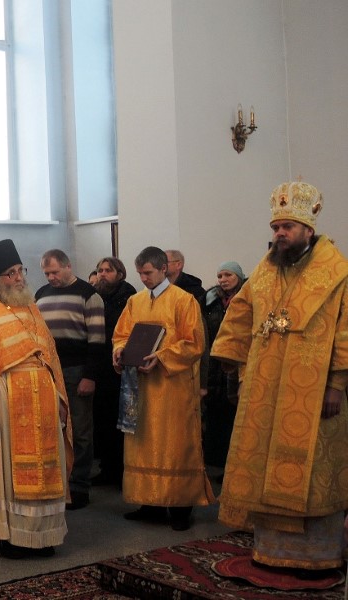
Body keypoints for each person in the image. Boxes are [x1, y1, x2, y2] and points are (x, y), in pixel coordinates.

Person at [211, 181, 348, 575]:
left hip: (314, 389)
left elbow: (345, 330)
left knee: (313, 470)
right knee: (264, 464)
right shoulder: (266, 269)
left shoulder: (337, 272)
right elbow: (240, 313)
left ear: (307, 228)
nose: (279, 234)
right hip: (265, 384)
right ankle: (270, 550)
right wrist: (238, 368)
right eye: (275, 227)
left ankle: (318, 555)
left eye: (287, 226)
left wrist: (337, 384)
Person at [0, 239, 73, 559]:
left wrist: (60, 398)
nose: (19, 278)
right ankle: (13, 536)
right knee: (11, 472)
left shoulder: (30, 307)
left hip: (44, 398)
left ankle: (45, 535)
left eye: (20, 270)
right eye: (11, 273)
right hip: (7, 399)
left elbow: (49, 354)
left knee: (46, 468)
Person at [112, 246, 214, 531]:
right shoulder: (135, 301)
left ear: (163, 269)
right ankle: (150, 504)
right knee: (143, 443)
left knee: (175, 446)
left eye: (148, 273)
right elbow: (121, 334)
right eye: (140, 273)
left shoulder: (184, 300)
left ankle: (181, 507)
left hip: (172, 389)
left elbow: (194, 343)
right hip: (142, 388)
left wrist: (162, 356)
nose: (143, 278)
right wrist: (120, 350)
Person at [35, 249, 105, 510]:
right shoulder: (41, 295)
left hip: (77, 370)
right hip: (48, 371)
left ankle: (79, 486)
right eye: (46, 273)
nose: (50, 277)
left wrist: (90, 376)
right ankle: (57, 483)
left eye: (54, 272)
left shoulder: (89, 294)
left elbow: (97, 339)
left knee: (80, 429)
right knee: (51, 427)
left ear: (67, 266)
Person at [91, 257, 136, 487]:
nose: (103, 274)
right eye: (100, 270)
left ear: (120, 273)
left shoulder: (129, 297)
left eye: (108, 270)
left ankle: (121, 470)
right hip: (100, 365)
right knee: (103, 420)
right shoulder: (94, 296)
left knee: (121, 421)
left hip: (120, 367)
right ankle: (107, 468)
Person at [201, 262, 245, 471]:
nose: (223, 280)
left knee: (233, 413)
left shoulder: (246, 298)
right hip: (213, 361)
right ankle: (214, 461)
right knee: (214, 410)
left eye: (228, 275)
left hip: (235, 361)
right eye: (220, 276)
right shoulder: (210, 301)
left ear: (238, 276)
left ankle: (231, 465)